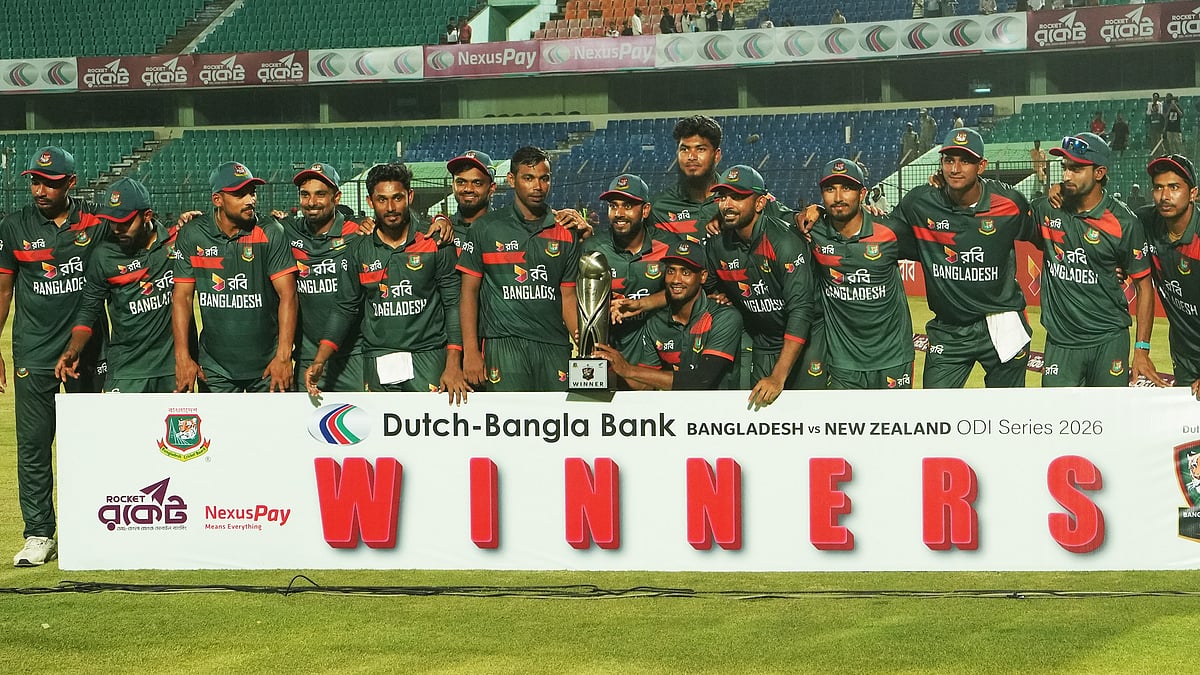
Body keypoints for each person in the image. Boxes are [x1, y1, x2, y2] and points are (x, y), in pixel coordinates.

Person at [0, 146, 106, 567]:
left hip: (88, 352)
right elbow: (3, 291)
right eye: (35, 181)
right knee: (33, 446)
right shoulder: (14, 226)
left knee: (92, 443)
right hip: (34, 351)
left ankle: (94, 527)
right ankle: (39, 533)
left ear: (71, 183)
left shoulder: (97, 223)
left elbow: (137, 240)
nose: (40, 190)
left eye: (50, 183)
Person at [307, 163, 467, 402]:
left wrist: (454, 362)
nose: (390, 208)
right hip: (378, 357)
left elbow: (453, 304)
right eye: (382, 200)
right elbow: (344, 308)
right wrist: (320, 359)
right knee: (382, 426)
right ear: (370, 202)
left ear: (409, 196)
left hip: (428, 356)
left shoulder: (435, 241)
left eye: (397, 198)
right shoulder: (358, 249)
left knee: (425, 425)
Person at [893, 128, 1037, 388]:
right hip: (949, 330)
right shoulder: (919, 202)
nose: (955, 169)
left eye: (966, 161)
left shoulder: (1009, 203)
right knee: (934, 411)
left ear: (981, 166)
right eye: (949, 160)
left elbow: (1047, 235)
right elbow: (883, 235)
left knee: (1008, 411)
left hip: (1001, 322)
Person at [1032, 133, 1157, 387]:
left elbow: (1144, 286)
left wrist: (1142, 349)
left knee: (1109, 413)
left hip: (1109, 340)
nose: (1067, 176)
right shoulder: (1047, 209)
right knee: (1056, 413)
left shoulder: (1125, 223)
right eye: (1065, 167)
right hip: (1061, 343)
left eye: (1077, 169)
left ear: (1099, 173)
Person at [457, 146, 581, 391]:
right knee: (508, 415)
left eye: (544, 178)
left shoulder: (566, 232)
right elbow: (468, 294)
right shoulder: (485, 228)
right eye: (528, 178)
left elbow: (568, 296)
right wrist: (471, 352)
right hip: (504, 345)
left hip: (553, 345)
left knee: (558, 414)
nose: (538, 186)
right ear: (512, 180)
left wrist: (584, 341)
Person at [172, 161, 298, 393]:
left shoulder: (271, 232)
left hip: (268, 366)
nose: (250, 200)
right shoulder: (193, 234)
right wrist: (182, 358)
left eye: (252, 192)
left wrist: (283, 356)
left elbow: (288, 295)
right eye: (240, 194)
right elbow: (182, 298)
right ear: (217, 200)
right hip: (215, 369)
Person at [705, 165, 824, 406]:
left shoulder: (785, 242)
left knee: (808, 415)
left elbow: (801, 311)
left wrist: (778, 376)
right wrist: (718, 297)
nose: (727, 205)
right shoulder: (717, 245)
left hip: (806, 340)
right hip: (764, 340)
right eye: (723, 197)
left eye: (737, 197)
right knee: (762, 417)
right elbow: (707, 287)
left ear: (759, 203)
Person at [56, 178, 178, 394]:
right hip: (125, 370)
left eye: (125, 222)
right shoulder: (103, 256)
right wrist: (74, 349)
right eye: (112, 221)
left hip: (171, 370)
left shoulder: (176, 242)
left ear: (147, 215)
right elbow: (89, 309)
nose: (117, 228)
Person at [809, 160, 916, 389]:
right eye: (830, 189)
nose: (838, 197)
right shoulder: (812, 230)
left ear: (862, 194)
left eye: (847, 188)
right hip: (843, 361)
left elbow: (935, 253)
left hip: (894, 357)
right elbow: (768, 213)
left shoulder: (890, 230)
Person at [593, 241, 742, 390]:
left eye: (685, 272)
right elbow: (646, 385)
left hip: (719, 405)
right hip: (674, 406)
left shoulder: (724, 317)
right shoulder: (656, 321)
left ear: (703, 276)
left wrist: (629, 370)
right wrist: (606, 368)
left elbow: (701, 380)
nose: (676, 280)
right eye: (671, 271)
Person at [278, 163, 364, 393]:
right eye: (305, 195)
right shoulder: (287, 231)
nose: (311, 202)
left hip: (354, 355)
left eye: (320, 194)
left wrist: (440, 221)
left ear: (337, 197)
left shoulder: (358, 232)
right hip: (307, 355)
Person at [582, 174, 681, 367]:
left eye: (627, 206)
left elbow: (685, 292)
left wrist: (642, 304)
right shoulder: (593, 249)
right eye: (613, 206)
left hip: (659, 346)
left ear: (645, 210)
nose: (619, 213)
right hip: (608, 346)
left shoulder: (669, 246)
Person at [1138, 154, 1200, 395]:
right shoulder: (1145, 221)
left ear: (1193, 193)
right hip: (1184, 353)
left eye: (1174, 187)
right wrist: (1063, 195)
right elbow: (1106, 216)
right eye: (1158, 187)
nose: (1164, 196)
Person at [650, 115, 724, 242]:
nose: (691, 157)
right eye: (684, 149)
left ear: (716, 155)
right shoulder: (658, 207)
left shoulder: (737, 200)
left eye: (700, 149)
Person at [447, 150, 497, 252]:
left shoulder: (505, 229)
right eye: (461, 182)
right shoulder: (443, 230)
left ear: (491, 188)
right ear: (453, 185)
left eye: (477, 183)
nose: (468, 189)